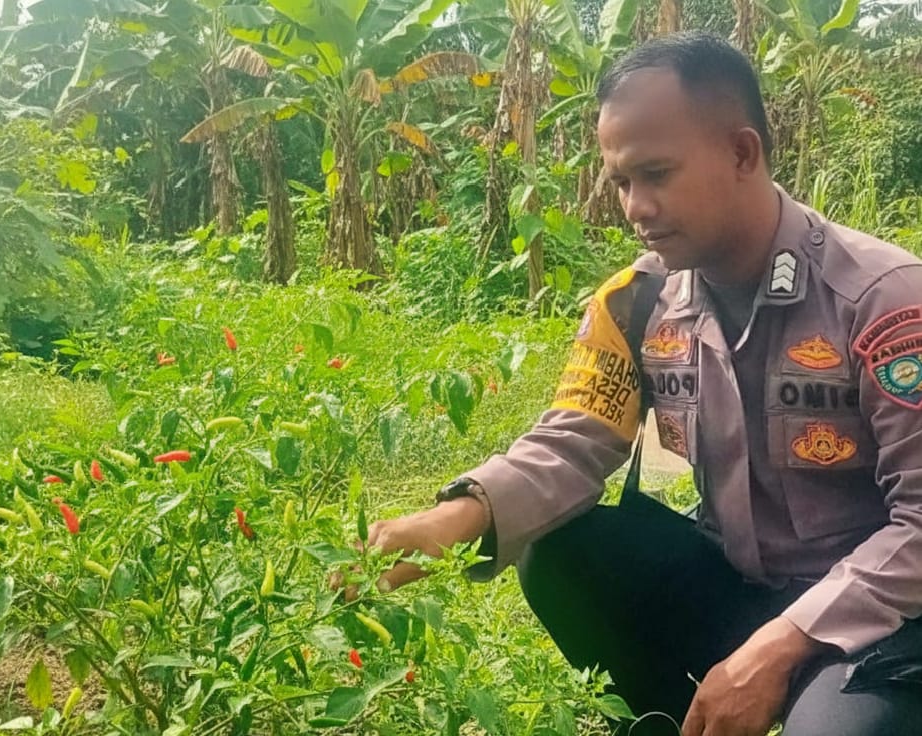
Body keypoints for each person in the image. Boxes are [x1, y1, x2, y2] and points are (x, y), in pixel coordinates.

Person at [359, 32, 922, 736]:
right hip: (740, 587)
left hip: (877, 619)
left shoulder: (884, 301)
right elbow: (573, 441)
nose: (634, 206)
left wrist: (781, 645)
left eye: (656, 174)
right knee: (561, 549)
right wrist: (450, 521)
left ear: (742, 153)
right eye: (622, 180)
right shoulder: (636, 303)